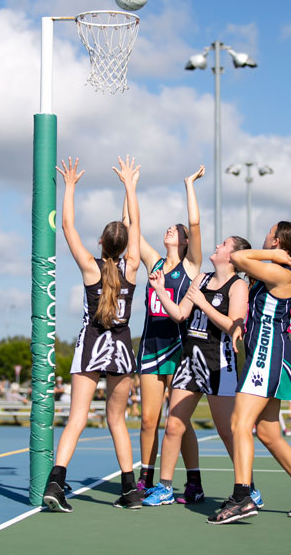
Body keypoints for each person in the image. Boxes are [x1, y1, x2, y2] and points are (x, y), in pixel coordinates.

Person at [207, 221, 291, 524]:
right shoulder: (273, 269)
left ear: (275, 240)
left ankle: (242, 495)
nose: (265, 234)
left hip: (267, 353)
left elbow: (238, 259)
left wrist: (276, 255)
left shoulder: (280, 271)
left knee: (239, 422)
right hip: (266, 354)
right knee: (269, 433)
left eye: (269, 233)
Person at [43, 154, 141, 513]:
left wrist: (69, 186)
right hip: (121, 347)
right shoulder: (132, 267)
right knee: (117, 420)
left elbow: (68, 225)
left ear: (100, 241)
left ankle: (56, 482)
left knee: (77, 419)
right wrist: (130, 187)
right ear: (126, 245)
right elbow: (136, 225)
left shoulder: (90, 268)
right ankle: (130, 490)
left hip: (92, 344)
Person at [142, 236, 262, 508]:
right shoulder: (202, 280)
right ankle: (165, 488)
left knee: (227, 432)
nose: (217, 245)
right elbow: (180, 314)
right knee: (173, 424)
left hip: (218, 364)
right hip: (190, 360)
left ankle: (249, 487)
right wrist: (160, 290)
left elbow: (234, 327)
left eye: (223, 244)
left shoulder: (238, 286)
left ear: (232, 256)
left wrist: (205, 305)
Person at [123, 166, 205, 503]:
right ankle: (146, 479)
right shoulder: (154, 263)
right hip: (151, 348)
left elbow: (196, 224)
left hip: (180, 349)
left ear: (184, 242)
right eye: (169, 228)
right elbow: (131, 227)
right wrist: (130, 187)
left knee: (178, 421)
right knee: (148, 421)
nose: (171, 229)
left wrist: (189, 186)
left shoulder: (191, 266)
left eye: (177, 229)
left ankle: (193, 482)